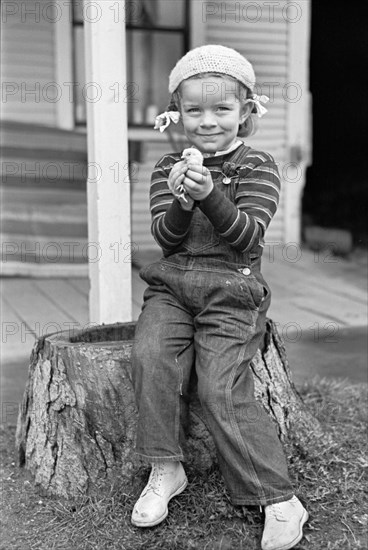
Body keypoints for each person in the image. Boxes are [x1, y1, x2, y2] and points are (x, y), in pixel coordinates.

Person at [130, 45, 308, 550]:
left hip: (233, 287)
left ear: (246, 111)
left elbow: (249, 237)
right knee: (150, 355)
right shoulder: (169, 163)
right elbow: (167, 240)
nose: (207, 122)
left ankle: (278, 497)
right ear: (177, 112)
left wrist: (209, 193)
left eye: (221, 109)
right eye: (194, 110)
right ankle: (166, 468)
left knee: (219, 386)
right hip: (173, 285)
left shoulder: (259, 165)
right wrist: (183, 202)